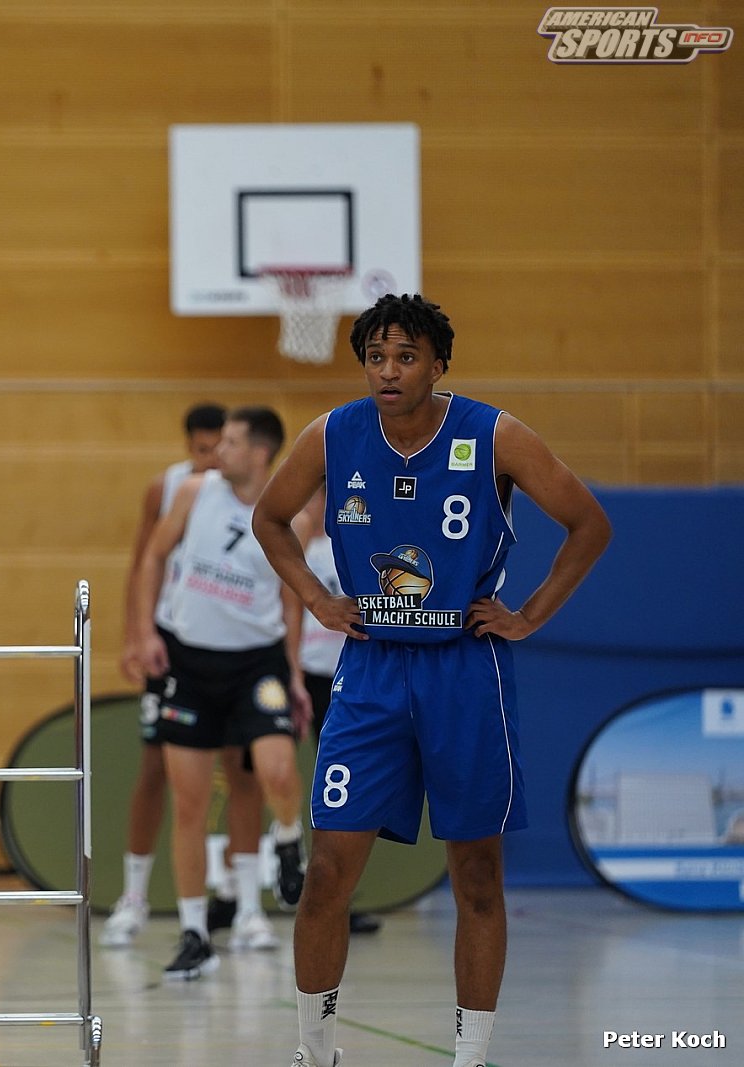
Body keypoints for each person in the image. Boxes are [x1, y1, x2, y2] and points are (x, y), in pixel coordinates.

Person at [252, 293, 611, 1067]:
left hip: (465, 668)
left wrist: (530, 614)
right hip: (372, 668)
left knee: (476, 874)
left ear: (438, 364)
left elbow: (589, 523)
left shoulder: (494, 434)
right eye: (376, 357)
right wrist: (316, 597)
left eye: (406, 356)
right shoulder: (332, 434)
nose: (388, 371)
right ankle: (315, 1052)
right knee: (325, 872)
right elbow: (270, 518)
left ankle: (469, 1057)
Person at [124, 406, 312, 980]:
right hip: (189, 662)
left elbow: (291, 601)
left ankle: (288, 839)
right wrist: (145, 632)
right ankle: (194, 931)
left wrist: (294, 672)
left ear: (259, 452)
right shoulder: (194, 492)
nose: (217, 451)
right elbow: (154, 556)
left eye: (229, 442)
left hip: (258, 664)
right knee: (190, 802)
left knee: (276, 771)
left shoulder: (293, 515)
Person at [101, 403, 225, 948]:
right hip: (173, 644)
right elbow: (142, 564)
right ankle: (134, 895)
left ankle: (235, 896)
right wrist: (136, 634)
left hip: (231, 645)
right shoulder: (168, 488)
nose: (212, 459)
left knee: (237, 770)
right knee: (154, 768)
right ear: (189, 445)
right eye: (202, 449)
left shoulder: (247, 493)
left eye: (220, 449)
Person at [296, 488, 381, 937]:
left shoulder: (355, 544)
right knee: (306, 785)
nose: (320, 504)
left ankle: (341, 899)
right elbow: (285, 611)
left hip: (353, 675)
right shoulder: (299, 550)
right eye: (315, 495)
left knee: (351, 795)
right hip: (309, 675)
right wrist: (289, 672)